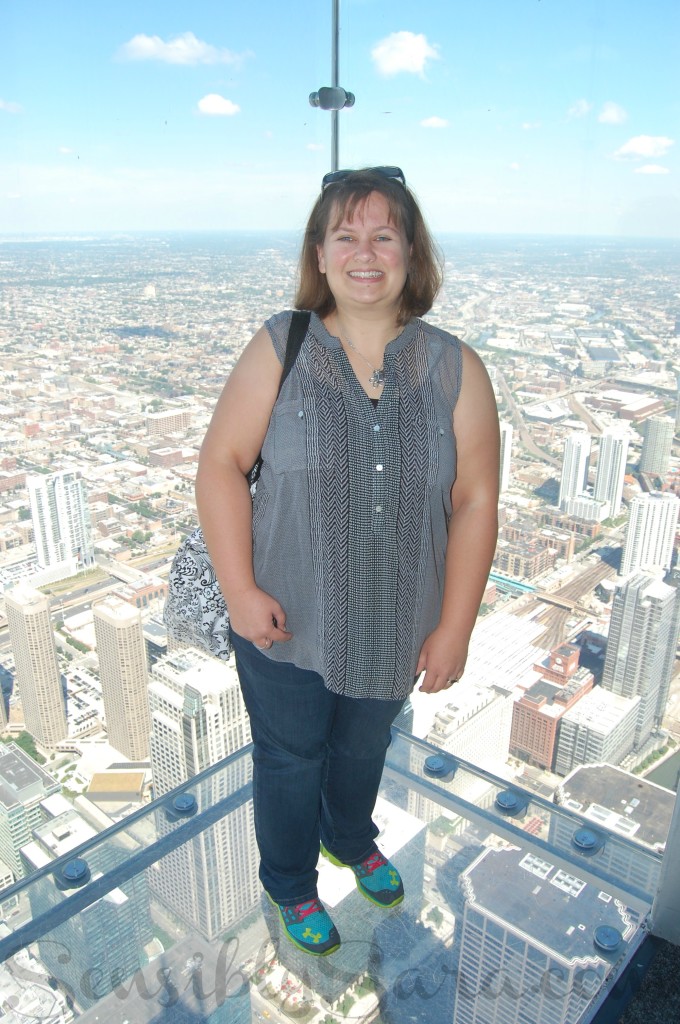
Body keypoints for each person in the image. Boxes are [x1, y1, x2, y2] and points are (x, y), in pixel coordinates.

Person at [195, 167, 499, 956]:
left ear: (411, 253)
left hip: (400, 622)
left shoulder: (457, 369)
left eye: (383, 235)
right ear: (320, 255)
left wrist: (457, 627)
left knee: (365, 746)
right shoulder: (280, 347)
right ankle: (292, 882)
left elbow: (474, 504)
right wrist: (239, 590)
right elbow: (221, 464)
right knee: (291, 758)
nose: (365, 252)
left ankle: (350, 833)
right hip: (283, 618)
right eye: (346, 236)